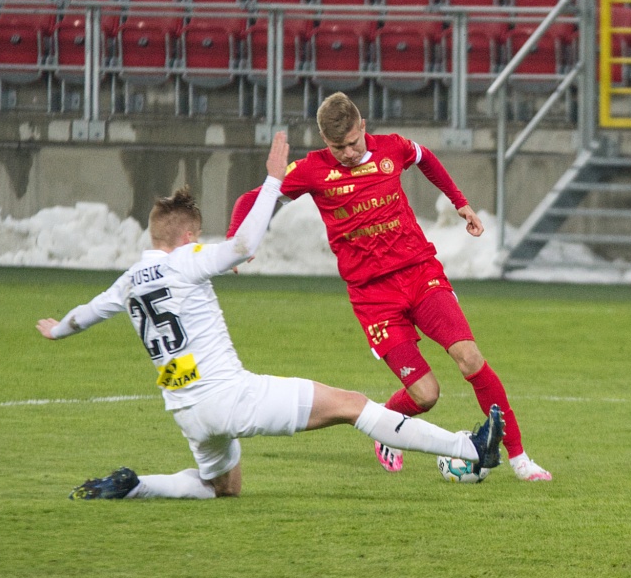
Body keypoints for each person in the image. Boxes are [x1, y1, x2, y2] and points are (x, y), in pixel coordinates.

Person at [37, 131, 505, 500]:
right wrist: (274, 180)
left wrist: (57, 329)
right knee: (353, 406)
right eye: (198, 236)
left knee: (222, 487)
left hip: (186, 409)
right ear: (186, 238)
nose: (202, 243)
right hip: (231, 396)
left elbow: (86, 314)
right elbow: (242, 245)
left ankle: (137, 485)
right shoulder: (189, 260)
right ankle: (468, 447)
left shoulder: (129, 280)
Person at [227, 93, 551, 481]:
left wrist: (460, 202)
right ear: (324, 141)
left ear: (362, 127)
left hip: (420, 274)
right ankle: (387, 428)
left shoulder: (392, 148)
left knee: (470, 358)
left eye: (352, 142)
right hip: (373, 298)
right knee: (426, 395)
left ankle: (519, 458)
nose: (347, 153)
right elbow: (252, 198)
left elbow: (426, 158)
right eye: (337, 147)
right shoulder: (312, 170)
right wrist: (237, 242)